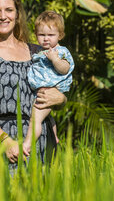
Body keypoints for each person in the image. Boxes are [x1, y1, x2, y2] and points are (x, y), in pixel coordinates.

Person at [0, 0, 66, 169]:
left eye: (9, 10)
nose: (3, 16)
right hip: (4, 143)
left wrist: (61, 99)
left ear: (17, 14)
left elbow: (57, 91)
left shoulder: (37, 51)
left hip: (42, 139)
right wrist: (6, 142)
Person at [23, 11, 74, 153]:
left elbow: (65, 68)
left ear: (60, 35)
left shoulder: (60, 51)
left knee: (35, 119)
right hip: (41, 89)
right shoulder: (39, 51)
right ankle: (55, 136)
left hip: (50, 90)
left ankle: (27, 144)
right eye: (41, 35)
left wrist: (55, 59)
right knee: (47, 117)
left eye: (51, 35)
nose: (46, 39)